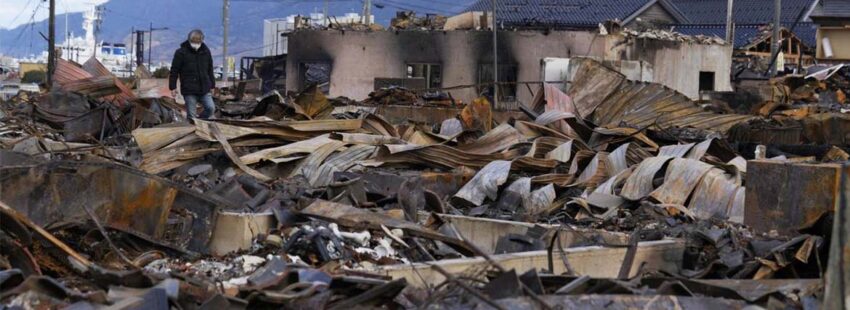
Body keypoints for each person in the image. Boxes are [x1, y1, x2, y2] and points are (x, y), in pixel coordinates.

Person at [169, 29, 216, 120]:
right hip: (189, 89)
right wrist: (172, 87)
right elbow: (174, 71)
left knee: (210, 108)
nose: (196, 43)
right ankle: (193, 127)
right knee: (191, 115)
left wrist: (212, 85)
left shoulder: (206, 52)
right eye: (194, 41)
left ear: (202, 41)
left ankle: (201, 121)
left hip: (204, 88)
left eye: (198, 41)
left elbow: (210, 69)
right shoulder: (181, 53)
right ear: (189, 40)